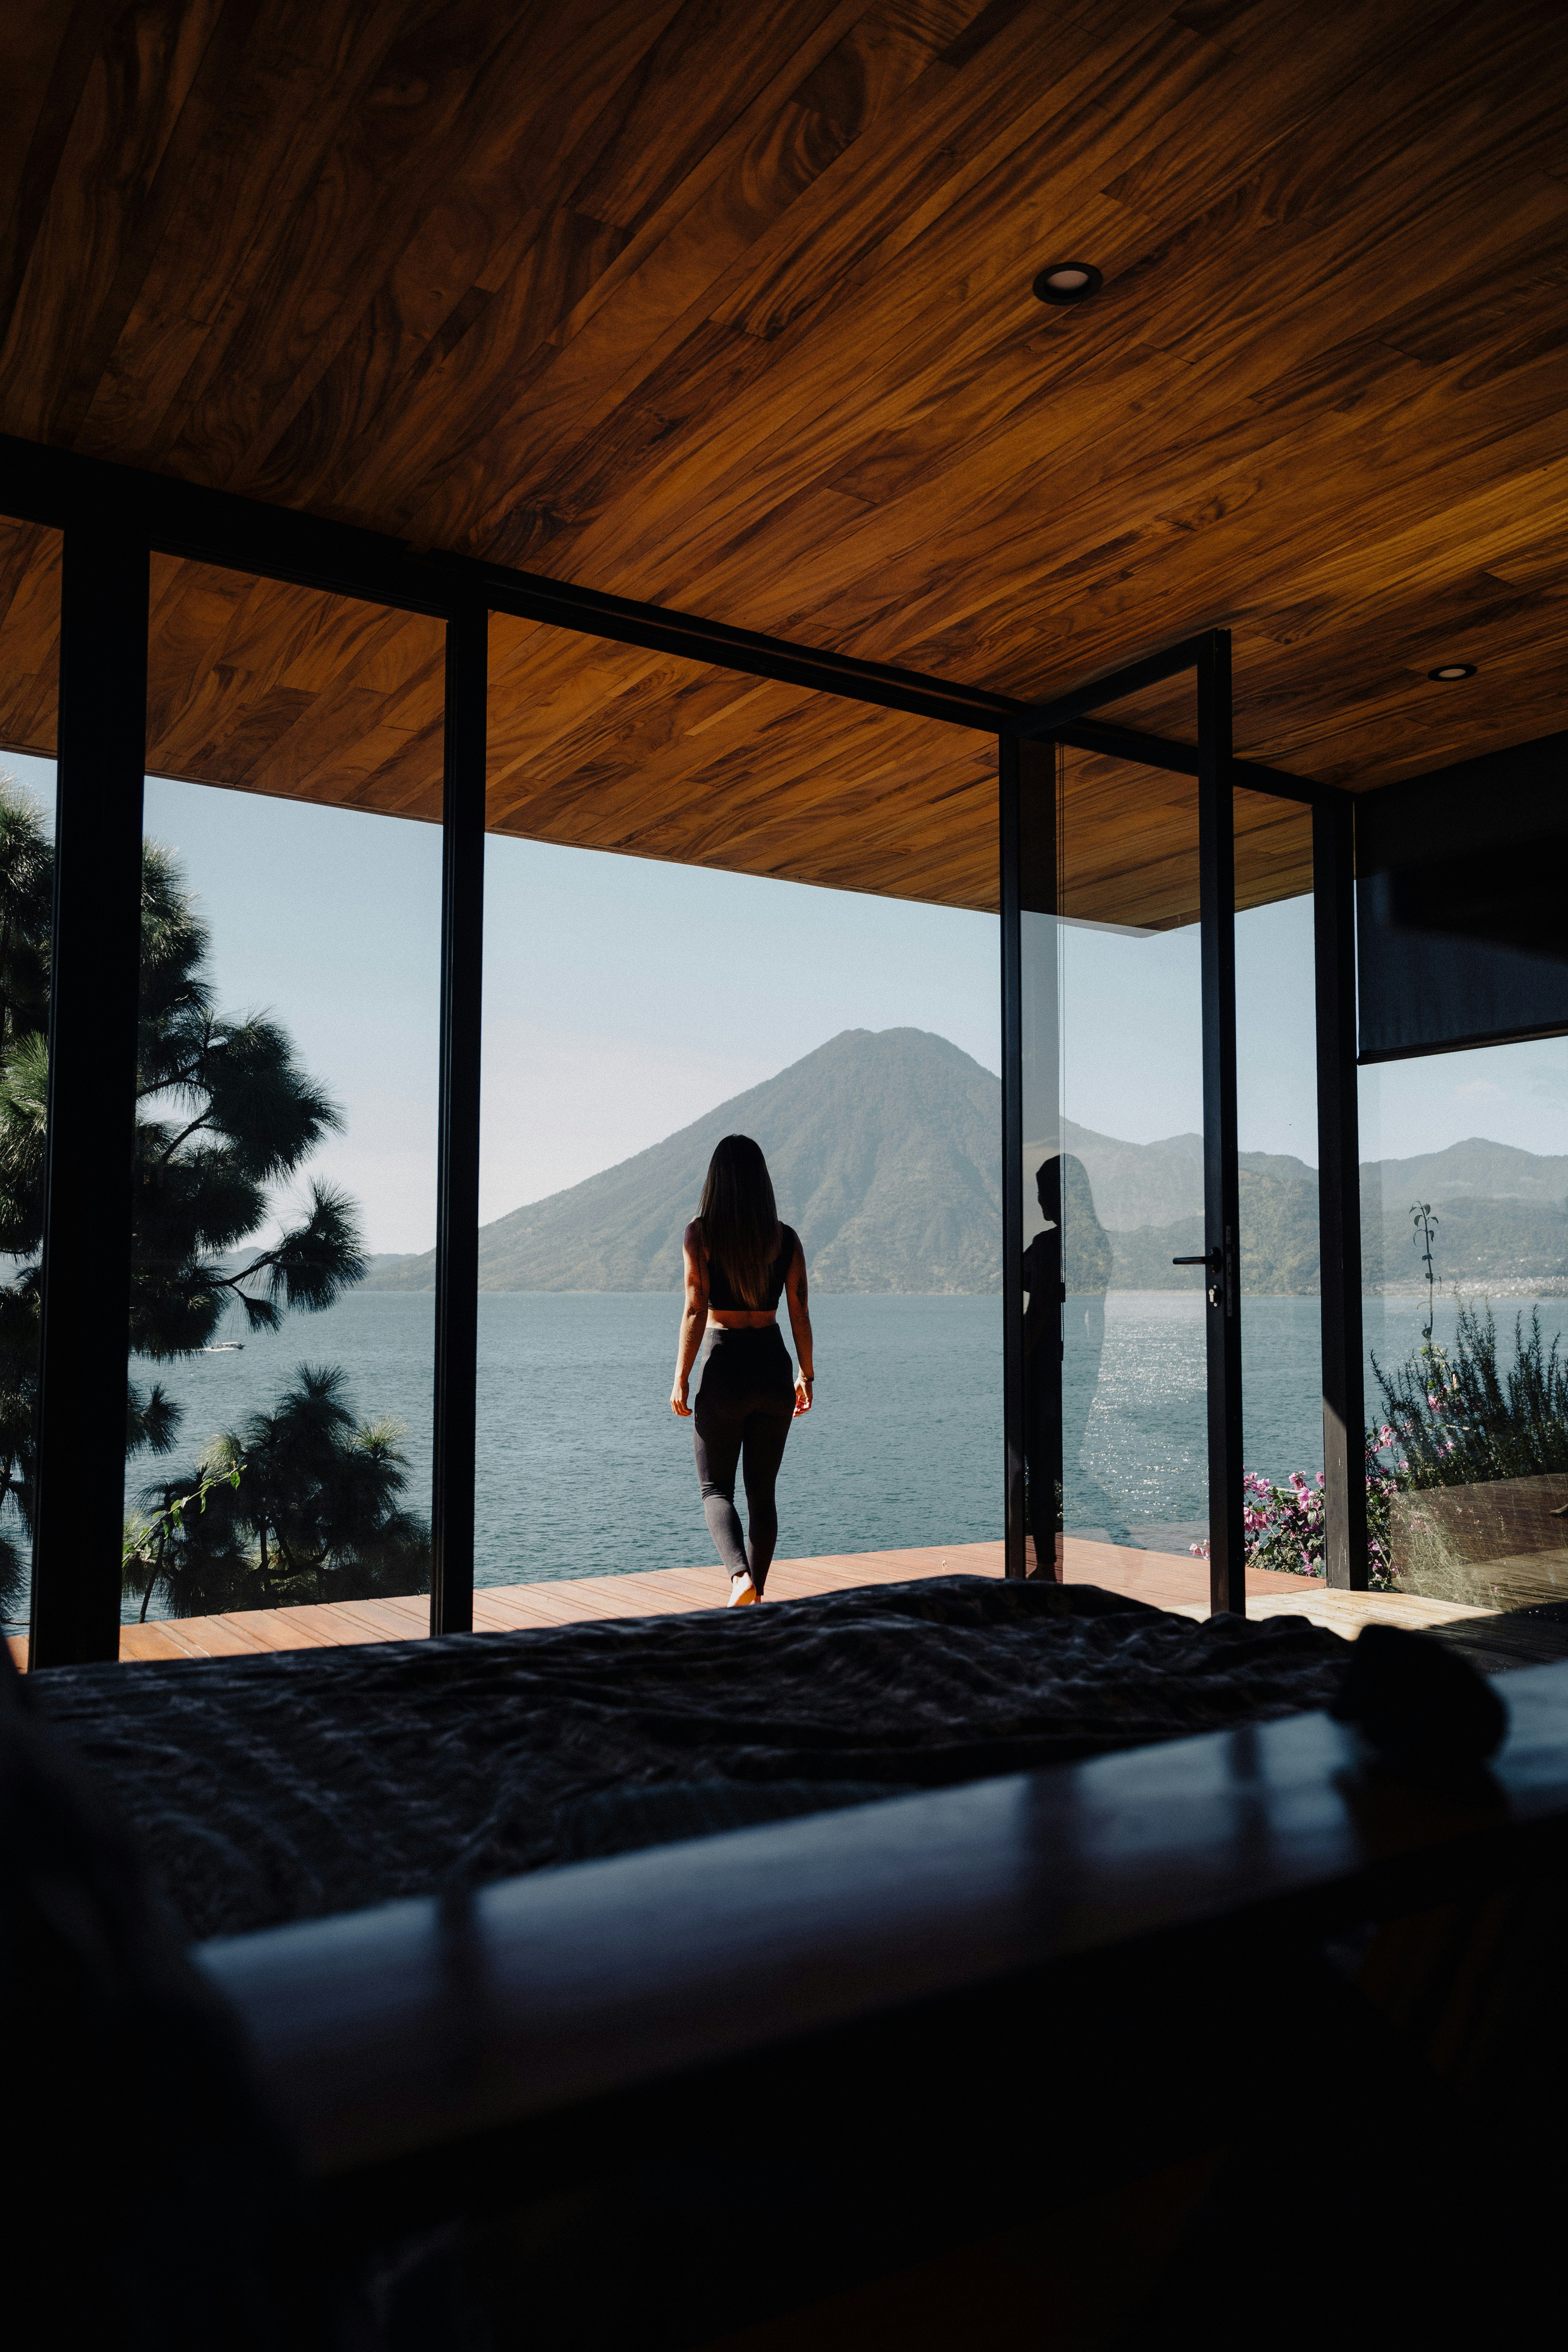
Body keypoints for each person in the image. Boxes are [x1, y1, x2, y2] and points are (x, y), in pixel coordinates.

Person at [671, 1134, 814, 1606]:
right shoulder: (785, 1238)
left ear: (716, 1181)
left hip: (724, 1368)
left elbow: (696, 1308)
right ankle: (758, 1596)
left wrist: (681, 1377)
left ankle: (739, 1579)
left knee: (716, 1489)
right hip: (773, 1366)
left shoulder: (700, 1235)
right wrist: (806, 1375)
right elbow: (800, 1311)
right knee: (762, 1493)